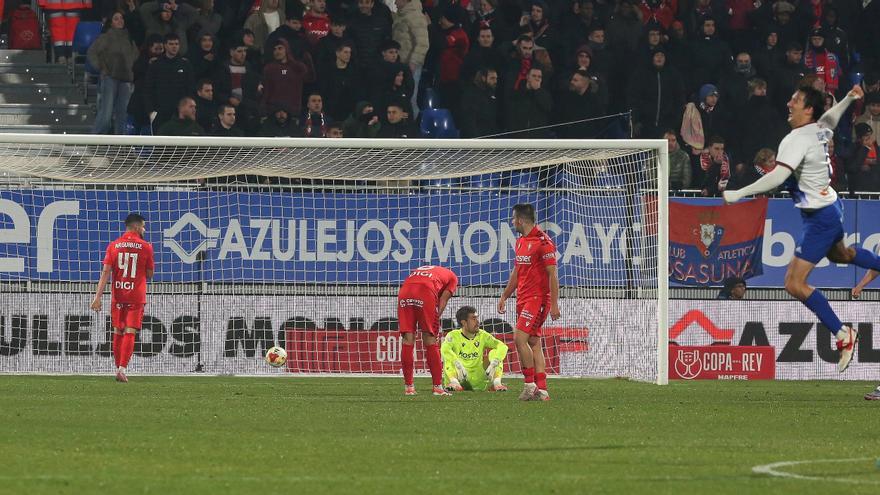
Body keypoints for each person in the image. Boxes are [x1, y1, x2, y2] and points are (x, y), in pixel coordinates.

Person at [723, 84, 871, 373]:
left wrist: (740, 193)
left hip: (820, 218)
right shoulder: (818, 128)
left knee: (793, 283)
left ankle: (843, 333)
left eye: (796, 100)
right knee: (843, 255)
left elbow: (778, 176)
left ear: (808, 110)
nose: (789, 102)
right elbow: (829, 120)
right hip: (829, 205)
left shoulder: (795, 139)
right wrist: (848, 99)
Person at [497, 203, 560, 401]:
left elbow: (553, 275)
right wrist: (506, 295)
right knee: (533, 341)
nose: (512, 222)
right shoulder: (520, 242)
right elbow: (517, 272)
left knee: (519, 338)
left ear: (521, 220)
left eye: (514, 218)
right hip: (523, 299)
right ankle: (542, 390)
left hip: (538, 299)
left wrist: (555, 304)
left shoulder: (544, 242)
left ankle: (529, 385)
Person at [90, 213, 155, 383]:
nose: (144, 229)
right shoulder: (146, 246)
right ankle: (122, 368)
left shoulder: (114, 245)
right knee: (130, 331)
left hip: (118, 294)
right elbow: (150, 274)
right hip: (136, 295)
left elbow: (105, 272)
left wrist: (97, 297)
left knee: (118, 330)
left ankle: (117, 367)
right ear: (136, 227)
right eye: (143, 226)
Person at [397, 265, 459, 396]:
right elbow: (443, 300)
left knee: (408, 339)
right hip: (424, 291)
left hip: (404, 291)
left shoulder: (425, 270)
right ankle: (437, 387)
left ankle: (409, 388)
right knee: (430, 339)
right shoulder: (453, 278)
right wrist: (435, 318)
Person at [88, 11, 140, 135]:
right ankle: (95, 139)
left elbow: (135, 55)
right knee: (106, 113)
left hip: (126, 79)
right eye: (116, 19)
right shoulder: (106, 37)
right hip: (110, 78)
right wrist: (102, 67)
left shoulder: (129, 37)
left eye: (121, 18)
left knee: (122, 115)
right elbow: (92, 53)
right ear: (111, 23)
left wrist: (131, 67)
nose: (120, 20)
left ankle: (120, 145)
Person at [441, 306, 509, 392]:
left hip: (478, 379)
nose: (477, 322)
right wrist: (456, 362)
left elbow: (502, 346)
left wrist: (495, 361)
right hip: (458, 375)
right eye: (473, 319)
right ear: (464, 322)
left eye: (477, 318)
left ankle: (497, 383)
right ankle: (454, 383)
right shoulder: (453, 335)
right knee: (449, 356)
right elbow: (444, 350)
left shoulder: (483, 335)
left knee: (495, 353)